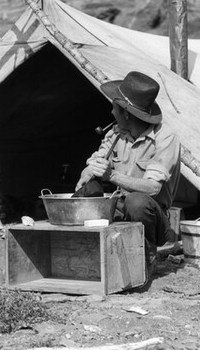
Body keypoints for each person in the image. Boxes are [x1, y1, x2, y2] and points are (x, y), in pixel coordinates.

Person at [74, 70, 181, 278]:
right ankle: (85, 258)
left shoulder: (165, 138)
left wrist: (111, 176)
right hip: (118, 206)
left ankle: (144, 262)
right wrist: (87, 175)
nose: (112, 113)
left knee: (137, 201)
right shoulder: (115, 133)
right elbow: (95, 162)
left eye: (115, 109)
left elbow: (153, 187)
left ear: (126, 113)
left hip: (151, 215)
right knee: (90, 189)